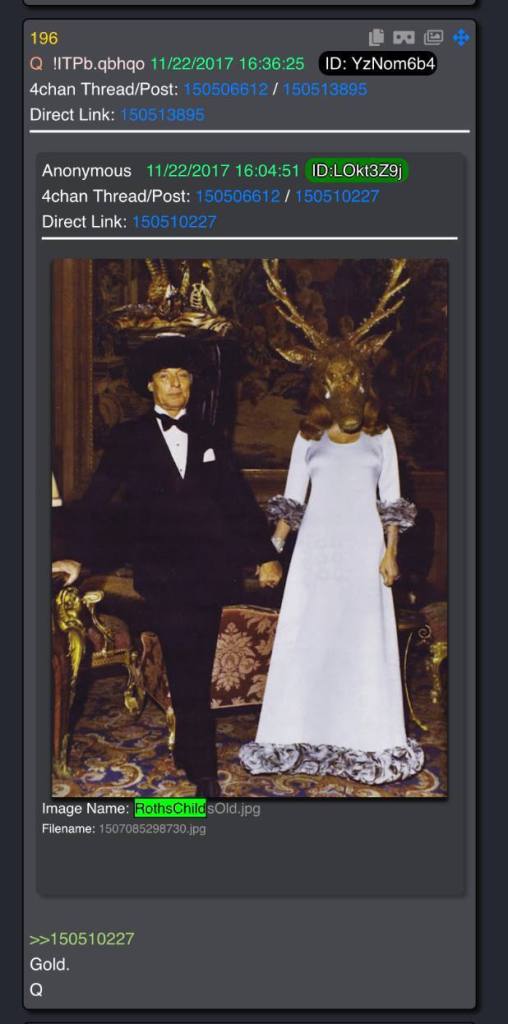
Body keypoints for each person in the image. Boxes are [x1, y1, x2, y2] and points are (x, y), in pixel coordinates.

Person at [58, 333, 282, 798]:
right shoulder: (129, 437)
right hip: (161, 573)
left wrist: (265, 555)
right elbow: (99, 501)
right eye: (166, 376)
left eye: (182, 376)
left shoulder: (210, 436)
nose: (176, 384)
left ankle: (190, 754)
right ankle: (204, 769)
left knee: (196, 662)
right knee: (185, 662)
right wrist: (78, 555)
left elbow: (238, 502)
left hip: (211, 570)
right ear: (150, 385)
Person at [240, 410, 424, 786]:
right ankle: (294, 738)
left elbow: (391, 500)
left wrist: (391, 553)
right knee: (307, 641)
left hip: (365, 553)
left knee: (362, 644)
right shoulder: (309, 433)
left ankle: (366, 742)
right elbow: (292, 501)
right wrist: (271, 552)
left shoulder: (380, 434)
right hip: (315, 553)